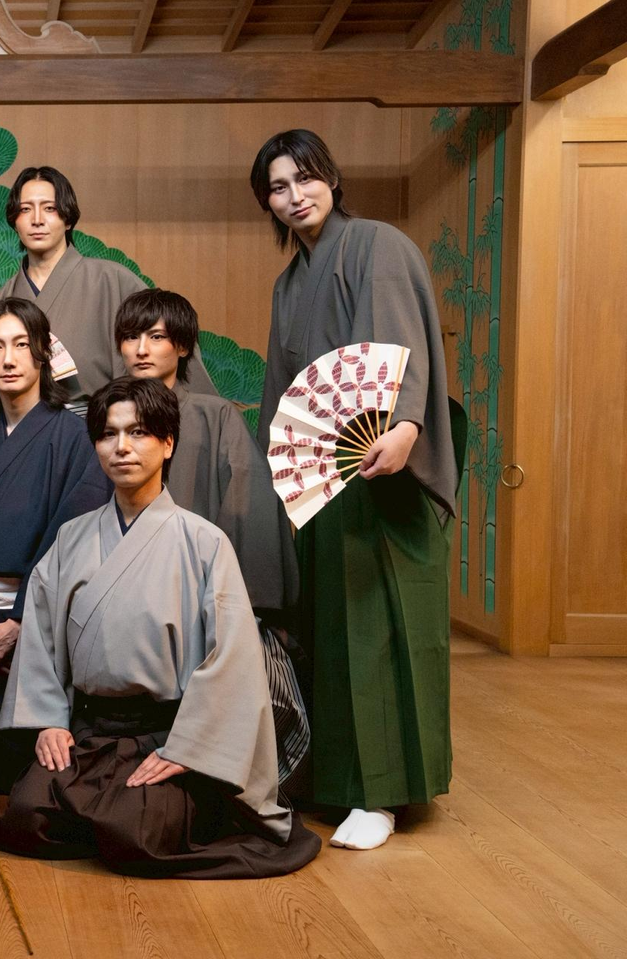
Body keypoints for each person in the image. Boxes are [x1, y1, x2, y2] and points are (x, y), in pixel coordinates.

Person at [0, 377, 321, 878]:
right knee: (27, 816)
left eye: (138, 432)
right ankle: (102, 811)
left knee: (135, 833)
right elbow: (41, 637)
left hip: (167, 735)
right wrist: (50, 719)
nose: (121, 447)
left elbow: (232, 659)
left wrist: (188, 748)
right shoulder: (72, 537)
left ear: (167, 444)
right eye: (108, 434)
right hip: (90, 731)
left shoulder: (204, 542)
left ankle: (149, 808)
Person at [251, 129, 457, 851]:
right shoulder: (288, 284)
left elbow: (401, 348)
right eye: (278, 188)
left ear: (332, 179)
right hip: (325, 483)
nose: (295, 196)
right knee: (332, 634)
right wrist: (282, 474)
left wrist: (405, 427)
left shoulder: (377, 245)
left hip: (385, 472)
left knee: (382, 629)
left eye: (305, 178)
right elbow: (285, 396)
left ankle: (383, 794)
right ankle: (336, 780)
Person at [116, 290, 309, 784]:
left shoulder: (214, 415)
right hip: (125, 601)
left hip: (202, 599)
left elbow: (248, 505)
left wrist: (241, 605)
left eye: (156, 337)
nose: (142, 349)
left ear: (182, 347)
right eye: (131, 337)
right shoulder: (109, 416)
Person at [0, 298, 113, 793]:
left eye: (20, 345)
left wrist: (17, 624)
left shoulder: (74, 437)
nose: (8, 359)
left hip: (33, 627)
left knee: (25, 779)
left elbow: (70, 540)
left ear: (42, 354)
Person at [0, 165, 216, 410]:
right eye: (25, 209)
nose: (37, 220)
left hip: (105, 424)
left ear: (68, 219)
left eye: (49, 208)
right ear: (14, 221)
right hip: (23, 424)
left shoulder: (113, 280)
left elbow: (171, 349)